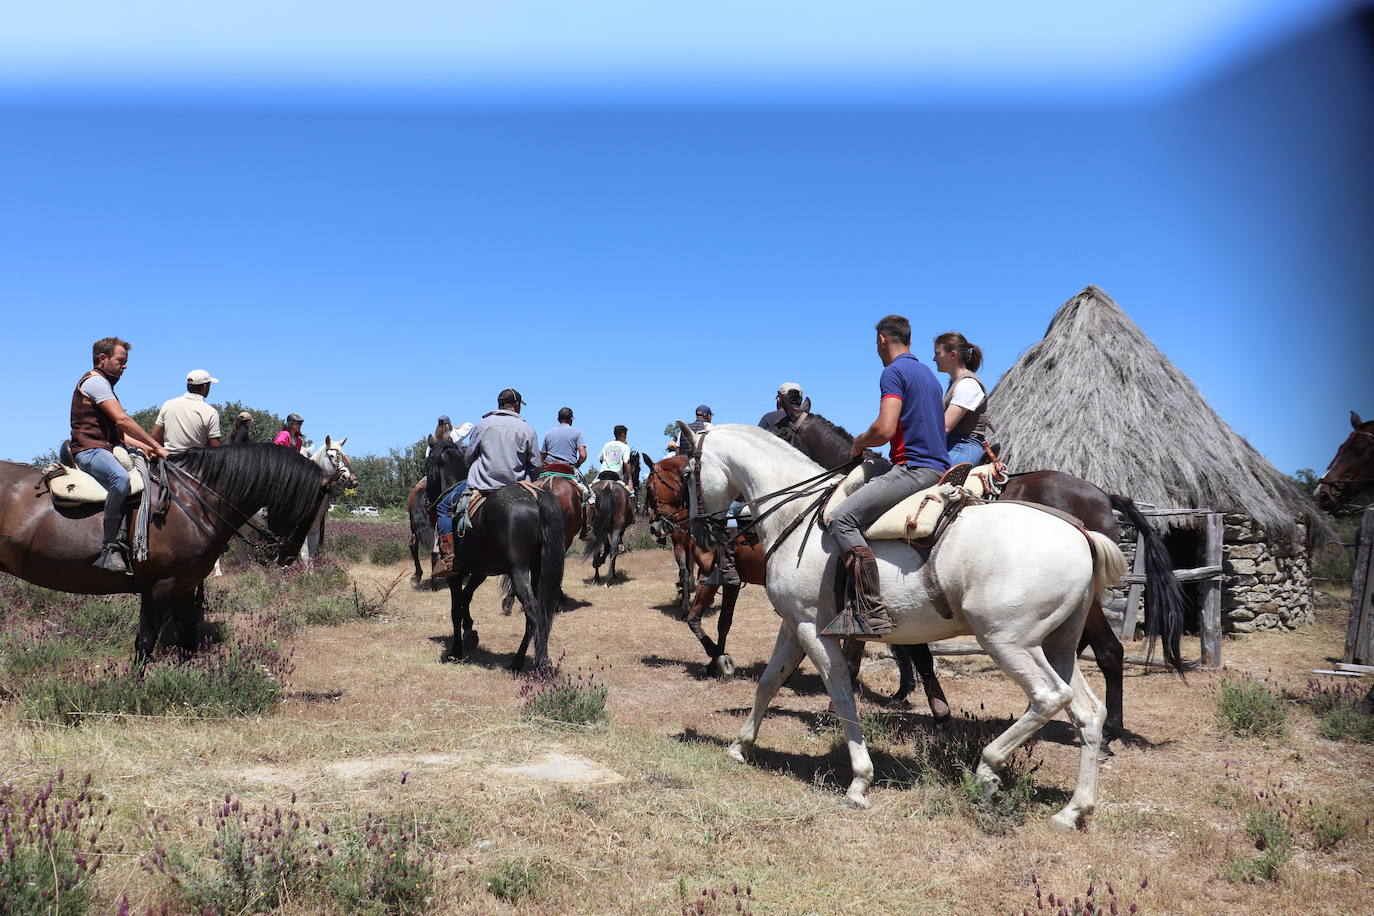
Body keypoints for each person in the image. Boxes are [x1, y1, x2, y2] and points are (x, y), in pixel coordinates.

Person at [824, 315, 950, 637]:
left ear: (882, 339)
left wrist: (858, 443)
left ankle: (869, 610)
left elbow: (884, 429)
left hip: (914, 469)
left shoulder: (893, 373)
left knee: (842, 519)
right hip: (939, 467)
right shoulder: (928, 375)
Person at [69, 336, 170, 573]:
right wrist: (156, 446)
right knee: (121, 479)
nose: (125, 366)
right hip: (89, 450)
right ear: (103, 359)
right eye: (120, 361)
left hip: (104, 446)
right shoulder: (95, 383)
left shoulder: (104, 384)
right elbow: (122, 420)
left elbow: (120, 436)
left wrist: (144, 447)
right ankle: (110, 547)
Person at [432, 388, 538, 579]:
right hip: (519, 487)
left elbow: (469, 456)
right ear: (516, 406)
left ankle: (449, 557)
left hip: (483, 486)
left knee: (443, 506)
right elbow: (535, 464)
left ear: (499, 404)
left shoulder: (483, 424)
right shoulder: (527, 428)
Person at [933, 332, 990, 467]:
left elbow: (945, 427)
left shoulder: (968, 385)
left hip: (965, 447)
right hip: (954, 445)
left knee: (929, 475)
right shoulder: (957, 383)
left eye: (937, 353)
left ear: (953, 355)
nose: (934, 359)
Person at [152, 369, 223, 455]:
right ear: (205, 386)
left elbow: (155, 436)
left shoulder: (168, 404)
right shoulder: (210, 412)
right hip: (196, 464)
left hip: (168, 462)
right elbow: (216, 448)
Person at [541, 407, 587, 473]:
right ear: (571, 419)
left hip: (550, 468)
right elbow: (583, 455)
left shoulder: (548, 433)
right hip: (568, 468)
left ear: (558, 419)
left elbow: (543, 455)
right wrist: (578, 464)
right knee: (581, 483)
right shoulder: (577, 433)